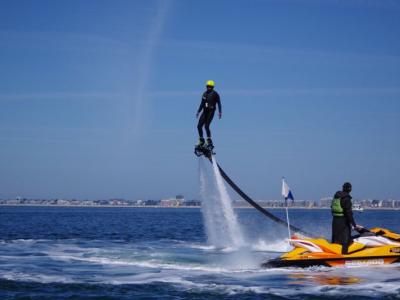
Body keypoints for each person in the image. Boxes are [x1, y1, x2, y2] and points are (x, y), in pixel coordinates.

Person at [331, 182, 362, 254]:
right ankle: (344, 257)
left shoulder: (336, 196)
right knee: (346, 240)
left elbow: (332, 208)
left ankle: (333, 254)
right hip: (343, 222)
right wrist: (354, 225)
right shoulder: (346, 198)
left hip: (335, 221)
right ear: (350, 189)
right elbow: (348, 213)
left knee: (336, 240)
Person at [196, 80, 222, 148]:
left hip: (211, 111)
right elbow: (202, 103)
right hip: (205, 111)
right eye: (207, 86)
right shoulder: (204, 94)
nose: (209, 88)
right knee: (199, 126)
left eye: (210, 87)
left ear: (213, 87)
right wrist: (198, 111)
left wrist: (220, 112)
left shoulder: (215, 94)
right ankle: (201, 140)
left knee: (206, 126)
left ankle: (209, 140)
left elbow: (219, 103)